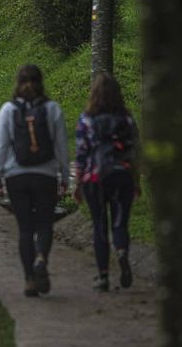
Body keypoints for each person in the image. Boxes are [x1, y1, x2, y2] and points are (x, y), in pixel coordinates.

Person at [0, 64, 70, 297]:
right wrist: (64, 176)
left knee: (25, 228)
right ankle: (41, 258)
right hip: (45, 175)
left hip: (17, 175)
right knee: (45, 224)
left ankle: (29, 280)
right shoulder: (53, 109)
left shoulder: (8, 110)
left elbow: (1, 147)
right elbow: (61, 147)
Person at [73, 72, 141, 291]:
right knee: (120, 222)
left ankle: (103, 276)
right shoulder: (127, 119)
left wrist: (78, 183)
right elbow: (134, 151)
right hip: (123, 175)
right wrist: (136, 180)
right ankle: (121, 251)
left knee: (99, 225)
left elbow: (82, 152)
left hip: (95, 177)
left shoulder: (87, 119)